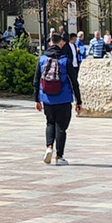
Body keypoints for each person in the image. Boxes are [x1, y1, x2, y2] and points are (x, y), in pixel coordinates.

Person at [35, 32, 83, 165]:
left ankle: (49, 147)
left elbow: (36, 80)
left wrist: (37, 99)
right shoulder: (65, 60)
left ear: (50, 43)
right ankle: (59, 157)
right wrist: (78, 101)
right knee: (61, 127)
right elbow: (74, 82)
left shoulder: (42, 59)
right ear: (61, 44)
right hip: (63, 98)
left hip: (47, 98)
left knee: (50, 123)